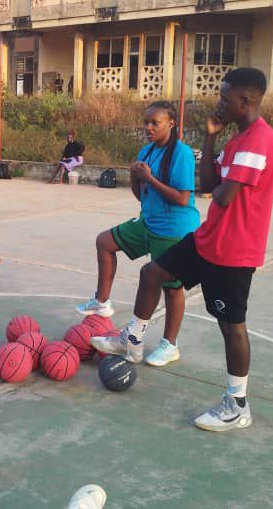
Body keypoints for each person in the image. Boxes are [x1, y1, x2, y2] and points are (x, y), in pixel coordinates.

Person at [91, 68, 273, 432]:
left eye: (225, 98)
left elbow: (223, 194)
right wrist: (210, 139)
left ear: (246, 100)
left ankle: (237, 405)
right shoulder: (237, 140)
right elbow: (207, 182)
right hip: (210, 237)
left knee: (231, 326)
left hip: (235, 250)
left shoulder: (259, 139)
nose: (219, 103)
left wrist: (214, 182)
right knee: (152, 273)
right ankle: (132, 341)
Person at [77, 101, 200, 368]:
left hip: (174, 229)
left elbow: (182, 198)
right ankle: (102, 302)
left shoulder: (182, 153)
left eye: (155, 123)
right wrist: (135, 179)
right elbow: (143, 198)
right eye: (146, 122)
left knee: (171, 287)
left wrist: (150, 178)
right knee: (104, 242)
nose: (148, 127)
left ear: (171, 123)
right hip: (148, 222)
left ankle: (170, 345)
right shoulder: (146, 151)